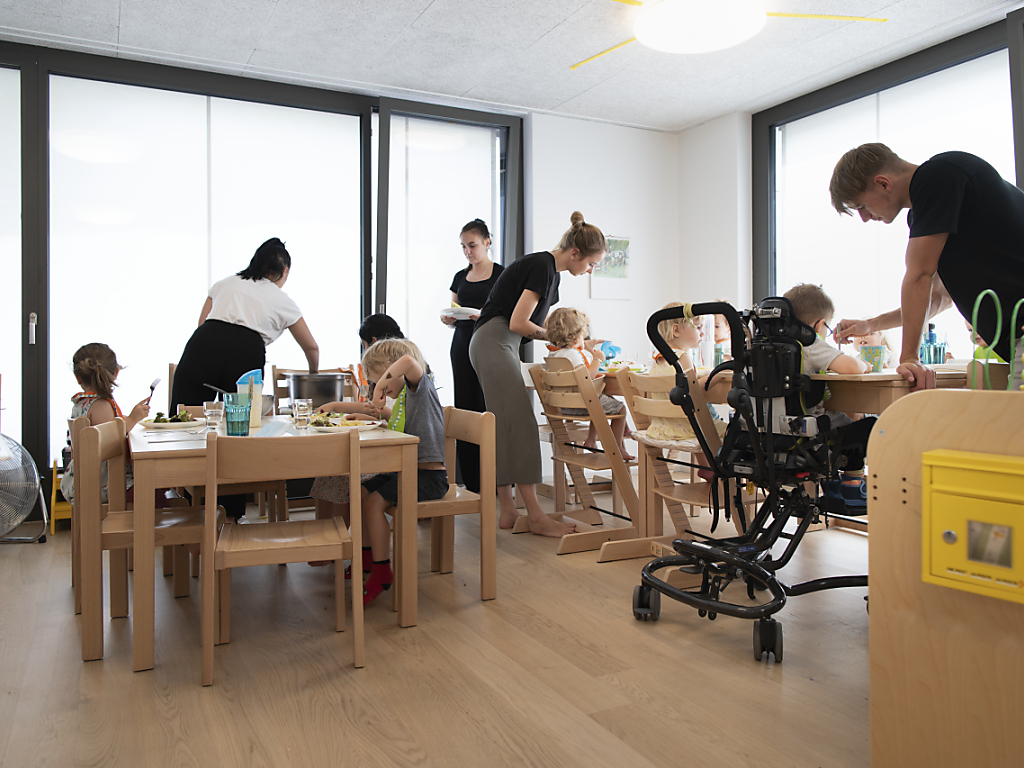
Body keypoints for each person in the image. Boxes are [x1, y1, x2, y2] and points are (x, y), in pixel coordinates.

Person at [828, 143, 1024, 391]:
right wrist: (871, 325)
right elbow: (938, 297)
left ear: (883, 183)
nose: (865, 218)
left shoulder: (938, 176)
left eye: (861, 207)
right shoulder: (934, 202)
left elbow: (920, 275)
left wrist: (909, 358)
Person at [469, 211, 606, 537]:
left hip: (496, 342)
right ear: (575, 253)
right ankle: (535, 516)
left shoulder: (549, 273)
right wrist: (558, 340)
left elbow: (529, 324)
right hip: (495, 341)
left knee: (504, 427)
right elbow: (519, 323)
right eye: (591, 263)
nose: (590, 269)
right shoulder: (542, 268)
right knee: (521, 426)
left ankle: (508, 512)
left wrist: (574, 340)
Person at [171, 237, 320, 409]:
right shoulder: (281, 299)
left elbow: (202, 322)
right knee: (241, 419)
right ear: (285, 271)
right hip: (246, 351)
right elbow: (311, 347)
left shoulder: (225, 283)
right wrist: (314, 373)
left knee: (185, 414)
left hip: (204, 342)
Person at [358, 338, 448, 605]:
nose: (380, 387)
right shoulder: (407, 398)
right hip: (408, 472)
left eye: (381, 381)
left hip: (429, 478)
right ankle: (367, 556)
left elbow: (408, 362)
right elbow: (389, 417)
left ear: (392, 370)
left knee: (374, 503)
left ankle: (382, 570)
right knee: (362, 491)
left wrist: (380, 388)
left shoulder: (420, 386)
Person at [784, 284, 874, 507]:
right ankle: (851, 486)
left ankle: (832, 485)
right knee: (868, 426)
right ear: (820, 325)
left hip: (770, 437)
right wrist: (865, 364)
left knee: (843, 419)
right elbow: (853, 367)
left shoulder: (765, 344)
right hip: (807, 436)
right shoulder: (808, 342)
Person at [442, 219, 505, 494]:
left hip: (490, 344)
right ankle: (471, 480)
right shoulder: (459, 276)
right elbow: (454, 309)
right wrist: (448, 318)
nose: (468, 251)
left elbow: (510, 313)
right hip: (461, 344)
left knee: (489, 408)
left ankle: (497, 479)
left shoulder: (502, 275)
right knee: (466, 408)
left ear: (487, 242)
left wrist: (485, 314)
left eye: (472, 245)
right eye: (463, 247)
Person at [60, 343, 152, 504]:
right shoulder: (101, 405)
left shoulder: (81, 402)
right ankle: (156, 526)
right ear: (116, 373)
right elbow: (111, 442)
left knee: (153, 480)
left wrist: (126, 418)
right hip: (104, 483)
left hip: (84, 479)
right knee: (152, 483)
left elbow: (105, 426)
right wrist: (132, 419)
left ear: (78, 377)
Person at [543, 307, 633, 461]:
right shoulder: (572, 355)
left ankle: (591, 440)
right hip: (581, 405)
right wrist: (597, 359)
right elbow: (588, 377)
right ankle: (617, 448)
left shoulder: (554, 354)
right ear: (576, 337)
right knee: (621, 409)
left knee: (600, 398)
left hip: (564, 406)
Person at [646, 302, 730, 444]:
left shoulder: (656, 360)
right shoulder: (681, 358)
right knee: (731, 429)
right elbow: (694, 390)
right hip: (685, 428)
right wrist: (718, 373)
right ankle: (710, 465)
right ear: (676, 330)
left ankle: (704, 465)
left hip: (660, 428)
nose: (702, 333)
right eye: (697, 327)